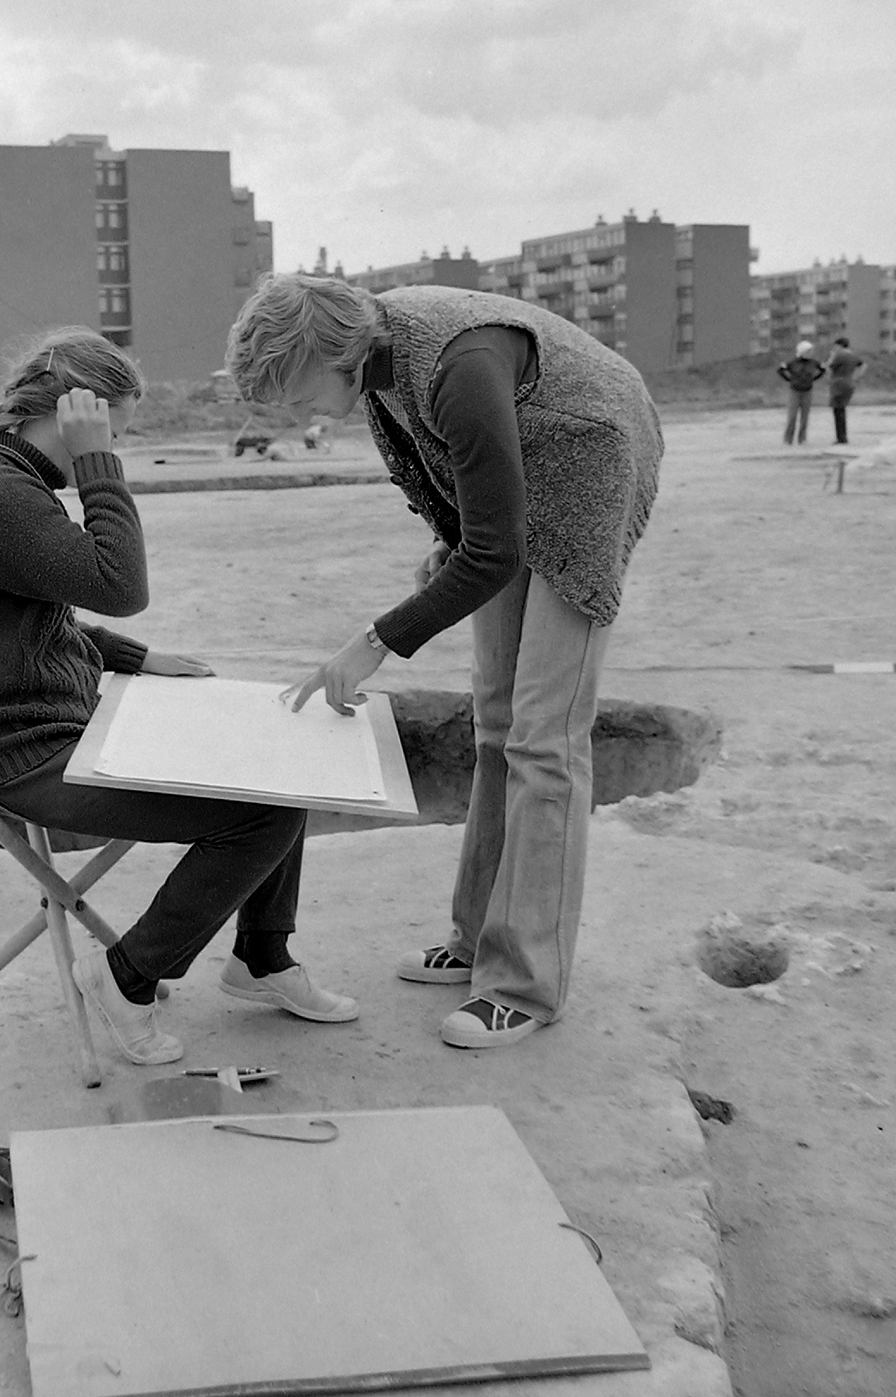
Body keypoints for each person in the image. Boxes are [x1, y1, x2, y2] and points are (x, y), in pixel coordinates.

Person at [225, 275, 662, 1049]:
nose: (296, 417)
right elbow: (460, 483)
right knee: (496, 721)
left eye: (295, 396)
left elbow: (494, 548)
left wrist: (375, 640)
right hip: (527, 476)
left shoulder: (454, 362)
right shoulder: (380, 364)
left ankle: (525, 981)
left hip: (593, 458)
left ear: (332, 352)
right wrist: (451, 540)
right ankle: (476, 939)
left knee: (545, 739)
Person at [0, 328, 356, 1067]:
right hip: (17, 759)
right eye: (108, 430)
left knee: (281, 772)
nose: (112, 445)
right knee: (261, 817)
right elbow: (122, 586)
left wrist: (137, 659)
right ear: (72, 413)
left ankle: (261, 959)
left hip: (57, 728)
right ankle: (125, 978)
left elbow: (39, 620)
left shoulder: (12, 483)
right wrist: (99, 466)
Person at [777, 340, 825, 445]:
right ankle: (788, 439)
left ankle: (802, 439)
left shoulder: (814, 363)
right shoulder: (792, 363)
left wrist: (814, 379)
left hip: (807, 392)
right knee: (792, 416)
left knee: (805, 417)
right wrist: (789, 379)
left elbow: (822, 370)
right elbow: (780, 370)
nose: (810, 353)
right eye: (808, 351)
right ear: (802, 351)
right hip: (795, 392)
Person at [824, 337, 865, 446]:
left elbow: (829, 367)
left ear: (839, 346)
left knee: (837, 411)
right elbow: (863, 365)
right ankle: (843, 436)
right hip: (849, 382)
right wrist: (857, 377)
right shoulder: (853, 355)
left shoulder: (839, 355)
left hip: (838, 383)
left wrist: (831, 357)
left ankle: (841, 437)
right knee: (842, 409)